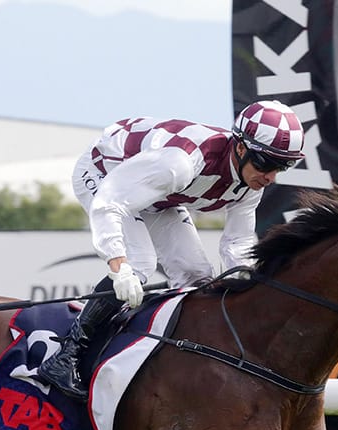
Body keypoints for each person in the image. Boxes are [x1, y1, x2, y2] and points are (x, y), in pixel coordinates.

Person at [36, 100, 306, 398]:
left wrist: (256, 290)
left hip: (158, 195)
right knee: (139, 265)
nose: (271, 176)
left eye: (283, 166)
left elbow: (237, 246)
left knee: (196, 276)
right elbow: (108, 203)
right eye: (266, 163)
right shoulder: (181, 163)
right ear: (240, 148)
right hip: (106, 175)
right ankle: (66, 356)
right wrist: (118, 266)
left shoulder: (249, 183)